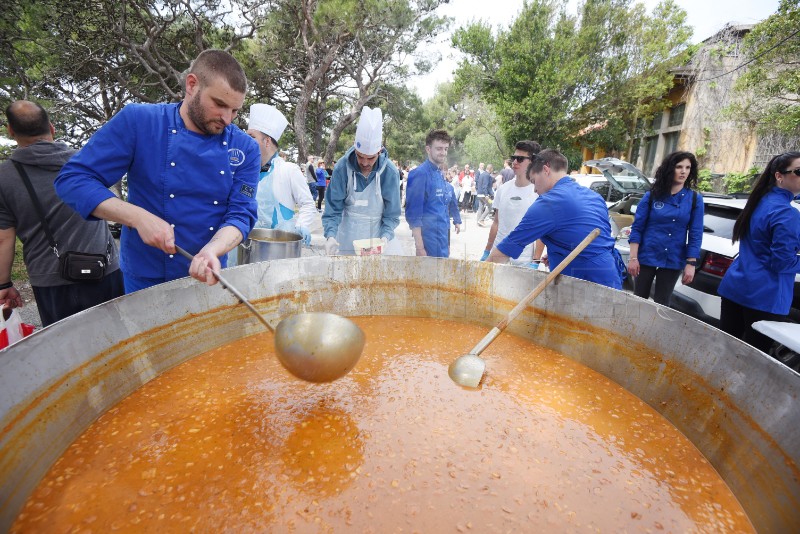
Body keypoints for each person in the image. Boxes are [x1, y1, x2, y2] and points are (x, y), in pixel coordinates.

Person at [55, 49, 260, 292]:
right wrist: (137, 217)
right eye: (219, 104)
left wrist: (213, 250)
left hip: (209, 274)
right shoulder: (140, 122)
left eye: (235, 111)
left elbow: (241, 213)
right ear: (192, 85)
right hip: (145, 277)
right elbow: (73, 180)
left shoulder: (245, 148)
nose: (227, 119)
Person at [0, 101, 124, 326]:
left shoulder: (3, 177)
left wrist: (4, 284)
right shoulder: (86, 160)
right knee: (118, 340)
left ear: (10, 131)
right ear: (52, 127)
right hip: (105, 269)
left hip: (51, 279)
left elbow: (3, 238)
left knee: (68, 350)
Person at [488, 149, 621, 289]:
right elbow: (590, 239)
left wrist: (480, 273)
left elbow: (508, 248)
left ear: (546, 169)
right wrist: (559, 252)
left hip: (585, 286)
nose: (534, 190)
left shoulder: (549, 202)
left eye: (534, 181)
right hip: (610, 279)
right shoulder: (594, 196)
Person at [717, 152, 800, 353]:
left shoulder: (759, 201)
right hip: (765, 296)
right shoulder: (786, 212)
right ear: (779, 176)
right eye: (799, 171)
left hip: (736, 286)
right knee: (754, 360)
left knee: (725, 352)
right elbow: (781, 263)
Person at [627, 151, 703, 306]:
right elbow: (637, 228)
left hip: (673, 257)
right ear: (670, 169)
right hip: (646, 255)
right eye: (679, 167)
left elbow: (695, 233)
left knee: (662, 304)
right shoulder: (652, 196)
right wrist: (633, 258)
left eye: (688, 168)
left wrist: (691, 264)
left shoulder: (695, 199)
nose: (683, 171)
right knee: (638, 300)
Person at [322, 107, 401, 255]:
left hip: (377, 240)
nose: (364, 162)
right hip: (346, 238)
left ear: (379, 151)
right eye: (360, 156)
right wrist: (330, 236)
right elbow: (333, 209)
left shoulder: (389, 172)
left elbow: (392, 214)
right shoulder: (342, 168)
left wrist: (385, 237)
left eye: (370, 157)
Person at [246, 103, 316, 243]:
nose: (246, 140)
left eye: (251, 136)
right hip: (247, 243)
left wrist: (301, 225)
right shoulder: (245, 170)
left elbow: (307, 204)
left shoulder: (288, 170)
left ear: (267, 141)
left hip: (280, 246)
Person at [481, 140, 541, 264]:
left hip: (523, 261)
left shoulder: (538, 192)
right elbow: (496, 223)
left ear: (532, 162)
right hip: (497, 256)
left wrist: (535, 261)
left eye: (520, 159)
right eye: (513, 158)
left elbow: (540, 233)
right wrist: (487, 251)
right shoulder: (503, 189)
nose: (514, 162)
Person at [406, 129, 462, 257]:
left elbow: (443, 212)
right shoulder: (419, 174)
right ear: (428, 149)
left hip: (442, 242)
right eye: (439, 148)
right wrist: (420, 248)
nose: (443, 153)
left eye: (446, 149)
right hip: (428, 245)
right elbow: (414, 216)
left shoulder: (440, 174)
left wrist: (447, 244)